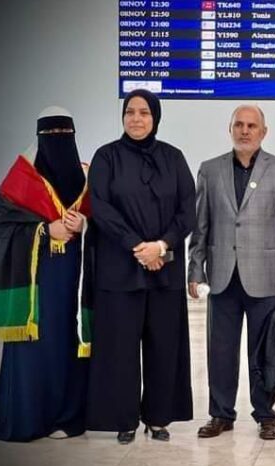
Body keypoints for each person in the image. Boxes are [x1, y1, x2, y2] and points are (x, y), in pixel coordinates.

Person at [86, 89, 195, 444]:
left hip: (164, 267)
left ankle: (159, 418)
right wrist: (137, 246)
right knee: (120, 349)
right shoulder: (106, 157)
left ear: (155, 118)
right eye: (130, 112)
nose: (136, 118)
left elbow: (187, 211)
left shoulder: (173, 158)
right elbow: (101, 208)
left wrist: (160, 246)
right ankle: (124, 419)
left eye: (144, 112)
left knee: (164, 346)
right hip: (119, 269)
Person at [188, 104, 275, 441]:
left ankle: (266, 415)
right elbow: (200, 226)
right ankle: (220, 414)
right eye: (239, 125)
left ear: (263, 132)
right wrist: (195, 269)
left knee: (264, 353)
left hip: (265, 278)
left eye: (252, 126)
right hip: (222, 277)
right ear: (230, 129)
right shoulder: (210, 170)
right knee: (220, 352)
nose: (245, 131)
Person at [0, 106, 90, 441]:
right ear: (39, 136)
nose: (59, 139)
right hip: (35, 279)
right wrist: (46, 231)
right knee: (35, 344)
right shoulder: (20, 179)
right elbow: (2, 229)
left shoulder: (87, 177)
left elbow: (106, 220)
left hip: (75, 279)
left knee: (68, 341)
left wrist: (85, 223)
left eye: (65, 133)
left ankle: (68, 417)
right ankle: (28, 418)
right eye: (52, 134)